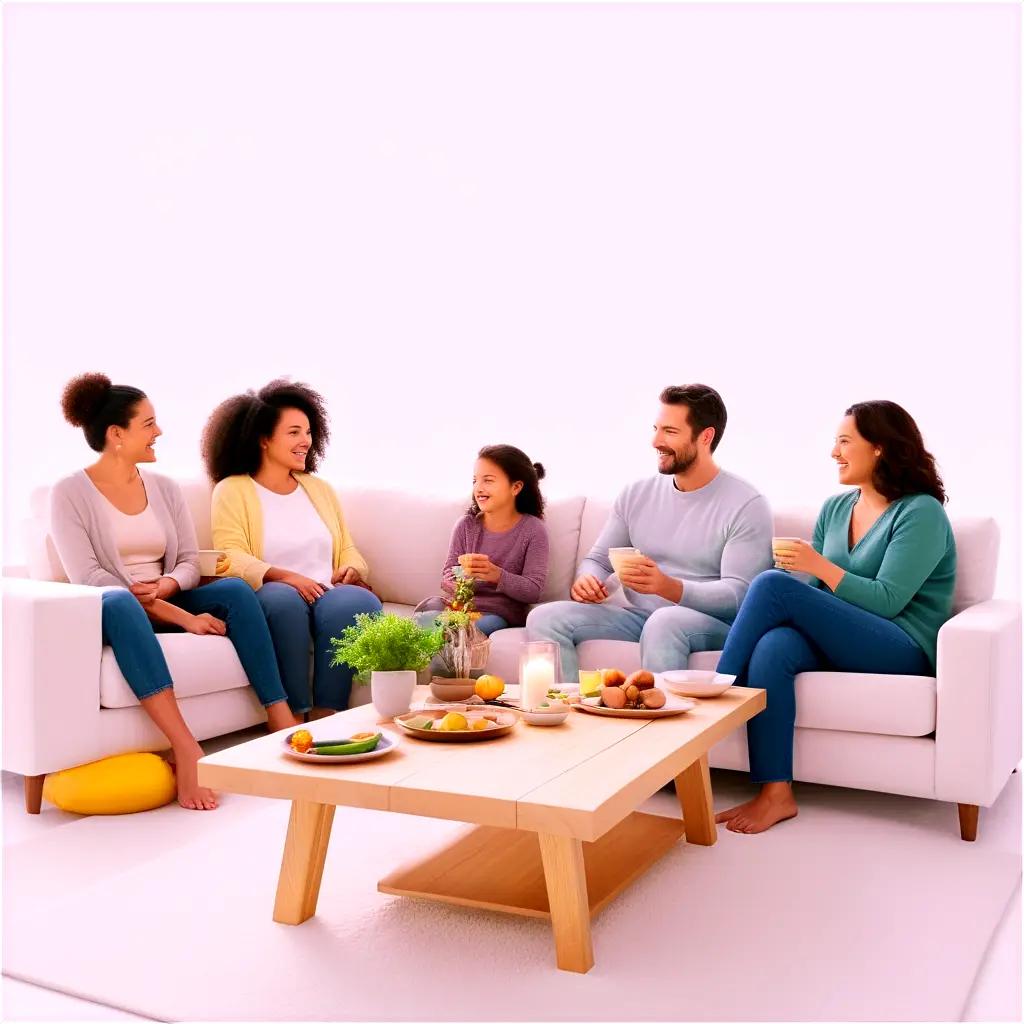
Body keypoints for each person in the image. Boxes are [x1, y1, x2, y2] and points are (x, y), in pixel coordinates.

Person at [51, 374, 298, 812]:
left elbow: (186, 559)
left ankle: (278, 718)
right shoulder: (69, 493)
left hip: (166, 597)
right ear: (117, 435)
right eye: (148, 424)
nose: (158, 432)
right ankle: (186, 748)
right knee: (121, 600)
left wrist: (169, 584)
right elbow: (90, 577)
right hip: (116, 609)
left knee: (238, 591)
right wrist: (182, 617)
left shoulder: (163, 488)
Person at [714, 400, 956, 834]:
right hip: (845, 638)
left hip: (901, 646)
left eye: (845, 441)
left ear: (880, 448)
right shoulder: (834, 508)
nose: (834, 452)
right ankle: (776, 793)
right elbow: (816, 596)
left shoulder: (921, 512)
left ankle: (711, 699)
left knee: (771, 584)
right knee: (775, 645)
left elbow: (887, 601)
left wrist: (813, 566)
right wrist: (801, 585)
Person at [527, 384, 773, 682]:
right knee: (545, 617)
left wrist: (668, 586)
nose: (655, 441)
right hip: (641, 617)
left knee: (664, 621)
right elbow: (598, 560)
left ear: (705, 437)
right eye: (656, 429)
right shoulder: (637, 494)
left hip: (713, 621)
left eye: (670, 431)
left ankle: (661, 727)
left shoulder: (746, 504)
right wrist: (587, 579)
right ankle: (570, 719)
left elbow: (740, 594)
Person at [202, 379, 382, 717]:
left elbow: (347, 547)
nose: (306, 442)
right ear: (264, 439)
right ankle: (296, 714)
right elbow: (230, 556)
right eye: (294, 432)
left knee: (357, 603)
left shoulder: (319, 489)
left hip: (326, 589)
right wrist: (286, 576)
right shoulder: (232, 490)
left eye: (309, 432)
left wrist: (352, 568)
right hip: (274, 590)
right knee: (283, 602)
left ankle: (328, 713)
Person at [415, 445, 550, 636]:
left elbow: (534, 590)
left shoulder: (533, 530)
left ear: (516, 487)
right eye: (475, 480)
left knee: (457, 631)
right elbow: (447, 576)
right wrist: (466, 575)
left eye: (488, 480)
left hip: (496, 613)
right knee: (424, 617)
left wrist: (496, 575)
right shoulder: (466, 526)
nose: (478, 488)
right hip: (458, 609)